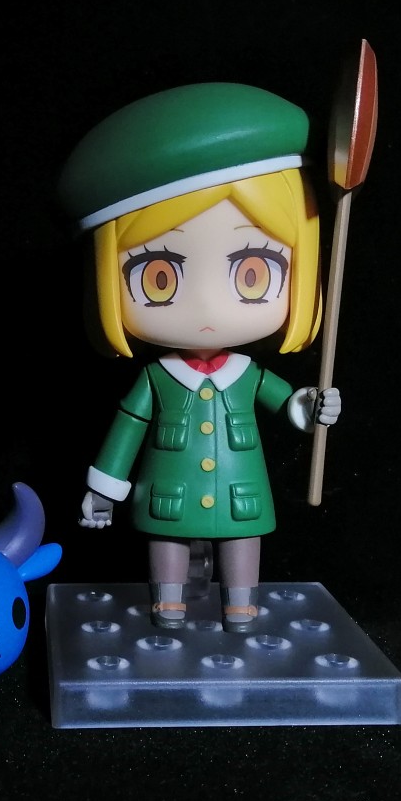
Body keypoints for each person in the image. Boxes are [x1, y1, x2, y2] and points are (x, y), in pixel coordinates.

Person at [58, 82, 341, 632]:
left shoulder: (249, 374)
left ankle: (241, 603)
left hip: (241, 490)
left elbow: (292, 405)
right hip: (169, 490)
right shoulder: (156, 378)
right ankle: (168, 602)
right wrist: (103, 489)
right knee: (165, 537)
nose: (208, 306)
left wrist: (314, 407)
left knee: (244, 535)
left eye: (252, 271)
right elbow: (126, 429)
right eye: (159, 276)